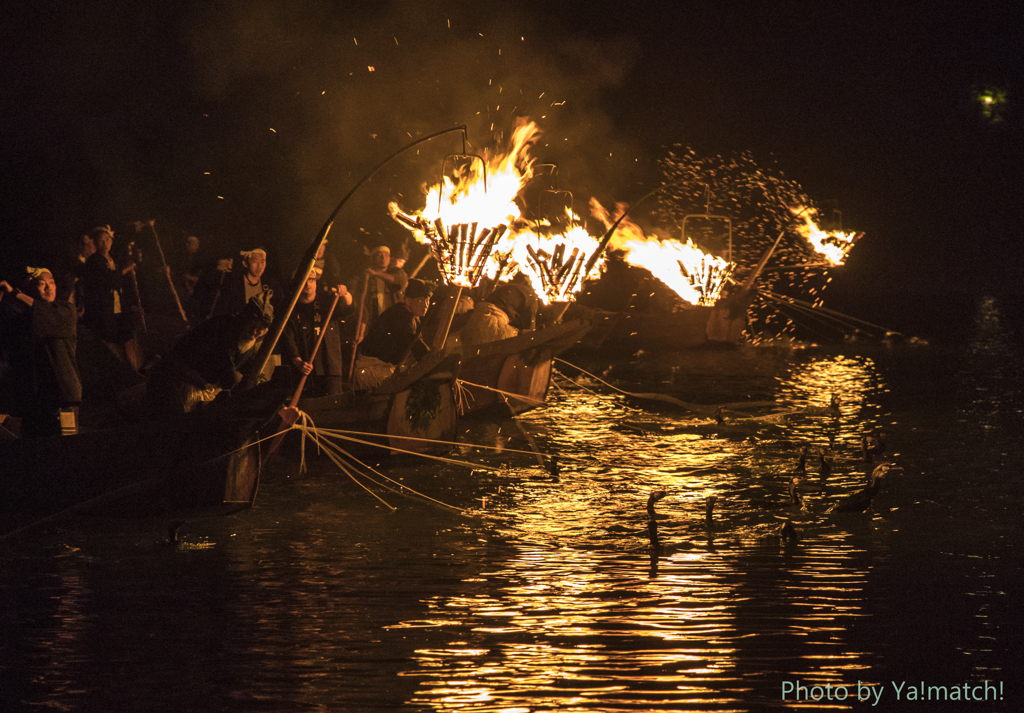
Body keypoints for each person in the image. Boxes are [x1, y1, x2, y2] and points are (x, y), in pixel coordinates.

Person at [146, 293, 274, 417]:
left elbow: (251, 369)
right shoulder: (225, 328)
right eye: (252, 324)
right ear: (244, 318)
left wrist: (263, 389)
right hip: (177, 381)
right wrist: (245, 398)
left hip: (200, 388)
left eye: (260, 328)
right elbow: (227, 370)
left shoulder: (251, 345)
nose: (254, 331)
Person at [0, 267, 82, 436]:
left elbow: (42, 313)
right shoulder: (22, 320)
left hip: (63, 396)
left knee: (68, 447)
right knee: (37, 450)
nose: (49, 288)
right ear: (31, 289)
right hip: (35, 399)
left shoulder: (65, 311)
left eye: (51, 283)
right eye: (42, 284)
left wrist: (15, 293)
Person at [279, 266, 353, 396]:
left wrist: (345, 293)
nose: (308, 284)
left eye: (312, 280)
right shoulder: (289, 308)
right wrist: (298, 361)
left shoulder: (327, 302)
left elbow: (348, 306)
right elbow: (287, 339)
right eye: (304, 280)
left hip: (329, 368)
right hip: (303, 369)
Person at [80, 224, 144, 370]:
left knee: (126, 337)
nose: (105, 243)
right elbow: (110, 280)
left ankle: (133, 369)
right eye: (101, 240)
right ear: (95, 243)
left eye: (107, 239)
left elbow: (122, 285)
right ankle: (118, 370)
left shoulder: (114, 259)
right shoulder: (93, 262)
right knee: (109, 341)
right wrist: (127, 268)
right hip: (103, 310)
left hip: (119, 307)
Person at [352, 278, 432, 390]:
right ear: (408, 301)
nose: (426, 305)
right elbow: (414, 342)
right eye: (421, 301)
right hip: (370, 370)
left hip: (388, 368)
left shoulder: (415, 319)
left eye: (427, 301)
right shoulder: (399, 315)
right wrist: (431, 359)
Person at [458, 282, 538, 348]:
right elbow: (530, 334)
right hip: (494, 324)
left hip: (475, 318)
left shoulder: (508, 286)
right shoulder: (532, 298)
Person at [354, 245, 408, 336]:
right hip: (374, 322)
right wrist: (361, 332)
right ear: (373, 258)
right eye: (379, 255)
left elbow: (397, 281)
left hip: (393, 322)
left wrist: (377, 274)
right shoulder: (365, 278)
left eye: (386, 255)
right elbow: (363, 305)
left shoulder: (397, 272)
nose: (383, 258)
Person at [212, 248, 273, 317]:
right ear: (245, 263)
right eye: (255, 262)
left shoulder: (269, 287)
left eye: (262, 262)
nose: (260, 266)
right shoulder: (233, 286)